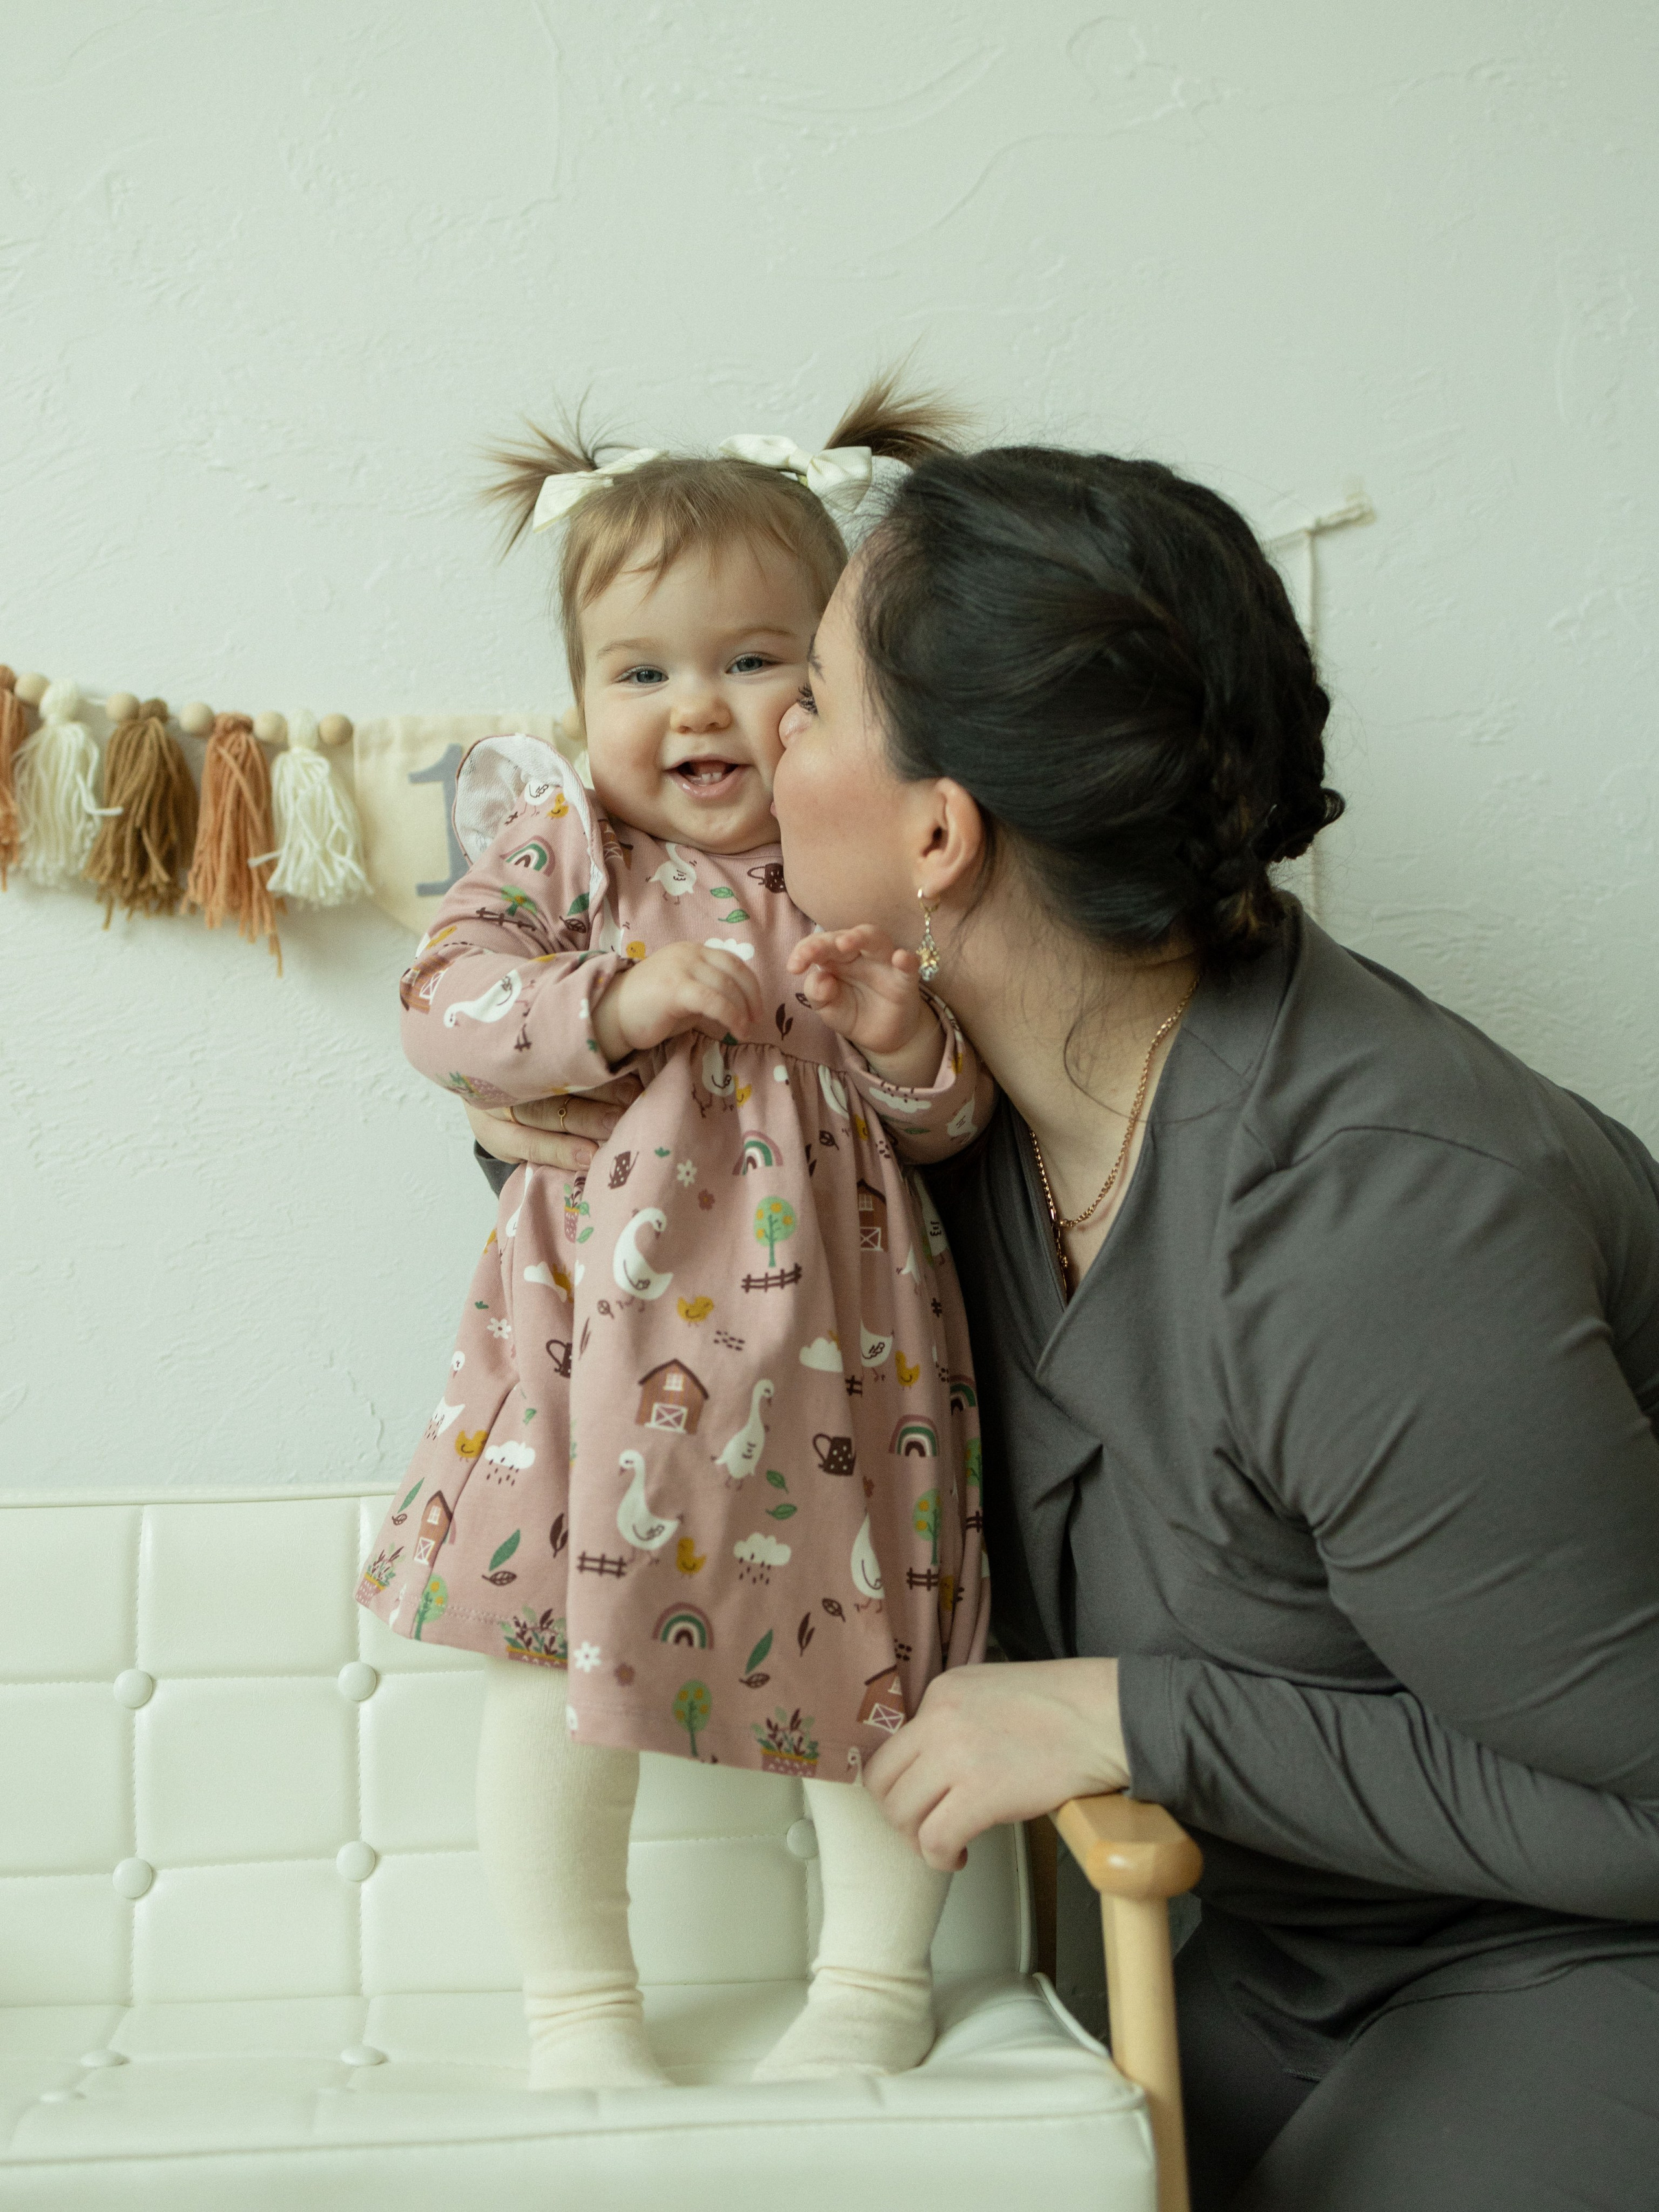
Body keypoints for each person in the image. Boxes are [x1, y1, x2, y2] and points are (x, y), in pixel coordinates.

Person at [472, 439, 1659, 2206]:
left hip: (1554, 1962)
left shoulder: (1386, 1221)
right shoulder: (922, 1139)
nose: (752, 737)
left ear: (937, 834)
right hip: (1214, 1954)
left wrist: (1139, 1719)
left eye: (811, 700)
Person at [357, 384, 994, 2096]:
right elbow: (446, 1005)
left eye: (750, 659)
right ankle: (579, 2017)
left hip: (846, 1371)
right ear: (578, 705)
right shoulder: (567, 852)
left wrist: (903, 1044)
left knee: (882, 1669)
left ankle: (871, 1989)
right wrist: (607, 998)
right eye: (639, 673)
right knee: (550, 1684)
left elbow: (951, 1131)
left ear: (838, 684)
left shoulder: (858, 870)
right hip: (595, 1372)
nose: (692, 708)